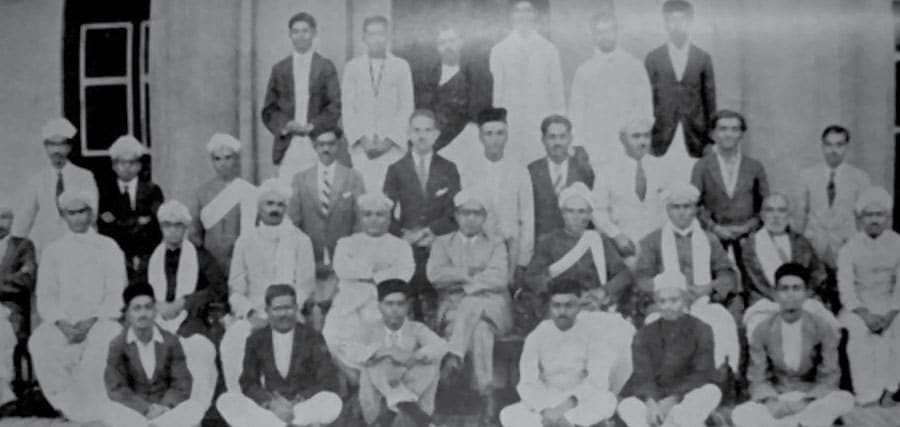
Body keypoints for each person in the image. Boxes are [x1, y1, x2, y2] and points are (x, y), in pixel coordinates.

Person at [28, 189, 125, 422]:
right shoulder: (53, 250)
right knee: (41, 342)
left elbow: (116, 292)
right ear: (63, 216)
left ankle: (95, 407)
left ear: (92, 213)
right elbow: (46, 295)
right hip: (64, 323)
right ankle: (68, 406)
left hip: (100, 320)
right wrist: (62, 323)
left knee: (106, 342)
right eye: (72, 213)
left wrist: (92, 321)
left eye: (83, 211)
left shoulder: (108, 246)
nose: (78, 218)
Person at [220, 179, 315, 392]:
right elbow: (236, 289)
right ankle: (243, 402)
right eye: (269, 203)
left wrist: (284, 312)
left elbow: (305, 287)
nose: (274, 209)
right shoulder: (245, 241)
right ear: (259, 207)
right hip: (253, 314)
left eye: (280, 205)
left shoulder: (301, 241)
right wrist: (251, 313)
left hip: (289, 314)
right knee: (232, 342)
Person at [731, 263, 855, 427]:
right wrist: (772, 402)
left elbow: (829, 376)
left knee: (845, 399)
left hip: (811, 398)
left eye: (796, 288)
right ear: (775, 294)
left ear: (806, 293)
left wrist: (806, 401)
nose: (790, 295)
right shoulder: (762, 330)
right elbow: (758, 378)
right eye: (784, 289)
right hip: (778, 398)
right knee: (741, 412)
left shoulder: (822, 327)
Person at [634, 183, 739, 374]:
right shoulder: (652, 241)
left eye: (686, 206)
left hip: (703, 303)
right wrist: (670, 290)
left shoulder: (709, 240)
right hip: (664, 306)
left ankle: (714, 379)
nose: (681, 212)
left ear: (695, 210)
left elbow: (728, 274)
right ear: (668, 210)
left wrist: (707, 288)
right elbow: (642, 279)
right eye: (676, 207)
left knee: (721, 325)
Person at [426, 190, 511, 421]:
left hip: (493, 308)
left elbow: (499, 278)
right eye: (466, 213)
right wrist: (469, 274)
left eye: (477, 213)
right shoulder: (442, 243)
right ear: (456, 215)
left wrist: (462, 284)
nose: (471, 218)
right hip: (453, 309)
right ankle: (486, 393)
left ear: (484, 217)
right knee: (481, 330)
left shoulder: (496, 244)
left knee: (473, 304)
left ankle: (455, 354)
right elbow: (435, 275)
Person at [217, 284, 342, 427]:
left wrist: (299, 400)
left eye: (288, 308)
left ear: (296, 308)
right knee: (227, 400)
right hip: (272, 409)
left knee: (332, 401)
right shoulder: (256, 340)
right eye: (277, 309)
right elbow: (248, 383)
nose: (283, 314)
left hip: (303, 407)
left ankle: (287, 422)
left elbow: (327, 379)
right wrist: (271, 403)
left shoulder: (313, 337)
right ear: (267, 311)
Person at [499, 278, 618, 427]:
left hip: (579, 401)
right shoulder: (537, 335)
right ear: (550, 306)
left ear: (578, 306)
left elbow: (597, 381)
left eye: (569, 306)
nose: (562, 312)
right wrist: (544, 410)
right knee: (508, 413)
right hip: (547, 401)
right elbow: (527, 382)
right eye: (557, 306)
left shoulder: (593, 334)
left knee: (607, 400)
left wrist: (564, 409)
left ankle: (568, 422)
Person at [322, 193, 415, 374]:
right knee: (331, 338)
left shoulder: (401, 246)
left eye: (379, 214)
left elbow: (404, 274)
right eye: (367, 214)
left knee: (384, 346)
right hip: (348, 303)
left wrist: (362, 272)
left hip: (381, 302)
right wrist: (379, 269)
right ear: (360, 217)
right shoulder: (346, 243)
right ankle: (354, 376)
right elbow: (342, 269)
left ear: (389, 218)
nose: (373, 219)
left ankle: (372, 379)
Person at [383, 109, 460, 324]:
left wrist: (431, 232)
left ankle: (435, 319)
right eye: (416, 130)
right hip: (407, 243)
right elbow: (385, 212)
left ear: (436, 134)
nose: (422, 136)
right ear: (408, 133)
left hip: (438, 241)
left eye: (427, 130)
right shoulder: (396, 169)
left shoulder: (448, 168)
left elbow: (454, 211)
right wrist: (403, 235)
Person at [618, 271, 722, 427]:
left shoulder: (702, 329)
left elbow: (702, 373)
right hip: (654, 400)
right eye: (662, 301)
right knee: (628, 406)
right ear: (656, 302)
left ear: (685, 299)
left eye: (674, 300)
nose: (668, 307)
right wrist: (651, 402)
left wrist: (674, 399)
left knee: (711, 391)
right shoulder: (643, 334)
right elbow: (642, 375)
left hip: (685, 397)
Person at [288, 126, 365, 326]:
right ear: (314, 146)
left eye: (330, 144)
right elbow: (293, 222)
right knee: (310, 314)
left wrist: (352, 255)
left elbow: (360, 221)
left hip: (342, 260)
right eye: (321, 144)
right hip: (310, 259)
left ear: (337, 146)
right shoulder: (300, 179)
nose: (326, 149)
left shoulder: (353, 177)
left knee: (340, 315)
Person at [102, 283, 206, 427]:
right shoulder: (118, 345)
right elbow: (116, 387)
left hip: (165, 412)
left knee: (194, 407)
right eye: (137, 308)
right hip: (136, 413)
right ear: (127, 314)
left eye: (148, 307)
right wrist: (145, 409)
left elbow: (182, 382)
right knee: (109, 410)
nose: (143, 314)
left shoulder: (170, 341)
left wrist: (164, 407)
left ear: (155, 311)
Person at [349, 279, 448, 427]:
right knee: (374, 362)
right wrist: (387, 352)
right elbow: (352, 350)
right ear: (379, 306)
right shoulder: (370, 329)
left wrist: (415, 357)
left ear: (408, 306)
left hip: (411, 385)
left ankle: (395, 409)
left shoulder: (416, 328)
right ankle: (412, 411)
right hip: (380, 394)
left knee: (431, 362)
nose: (395, 309)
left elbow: (441, 346)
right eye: (389, 304)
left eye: (400, 304)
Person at [525, 183, 633, 315]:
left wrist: (602, 292)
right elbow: (532, 279)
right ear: (563, 213)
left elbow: (623, 274)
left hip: (593, 307)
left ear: (589, 214)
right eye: (570, 211)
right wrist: (563, 294)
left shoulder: (599, 241)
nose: (575, 217)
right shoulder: (548, 242)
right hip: (561, 310)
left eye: (581, 211)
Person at [837, 187, 900, 406]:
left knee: (897, 331)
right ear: (861, 218)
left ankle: (890, 390)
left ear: (887, 217)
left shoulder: (898, 243)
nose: (874, 220)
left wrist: (891, 314)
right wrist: (865, 314)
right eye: (869, 215)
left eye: (879, 214)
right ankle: (866, 394)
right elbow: (845, 288)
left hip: (892, 306)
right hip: (858, 307)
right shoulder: (849, 247)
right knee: (858, 333)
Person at [262, 12, 343, 180]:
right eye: (296, 31)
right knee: (287, 190)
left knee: (318, 189)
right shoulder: (279, 69)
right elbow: (269, 110)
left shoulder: (325, 66)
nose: (300, 36)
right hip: (288, 143)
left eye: (305, 31)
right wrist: (286, 125)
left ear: (314, 33)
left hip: (317, 141)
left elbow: (335, 105)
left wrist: (313, 126)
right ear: (290, 35)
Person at [794, 125, 871, 302]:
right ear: (822, 146)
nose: (833, 150)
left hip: (846, 247)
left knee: (844, 298)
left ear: (847, 147)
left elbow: (865, 219)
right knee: (815, 298)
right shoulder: (807, 176)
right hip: (815, 247)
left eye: (839, 145)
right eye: (828, 145)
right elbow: (800, 215)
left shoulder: (860, 178)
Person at [456, 107, 534, 283]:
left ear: (507, 136)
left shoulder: (519, 171)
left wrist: (523, 261)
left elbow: (527, 217)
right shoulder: (468, 171)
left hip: (510, 251)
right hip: (477, 250)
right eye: (489, 134)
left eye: (500, 133)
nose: (495, 140)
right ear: (480, 137)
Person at [740, 193, 836, 335]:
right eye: (770, 210)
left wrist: (803, 294)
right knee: (759, 328)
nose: (776, 216)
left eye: (781, 210)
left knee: (826, 325)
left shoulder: (800, 241)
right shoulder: (751, 245)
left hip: (803, 300)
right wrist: (783, 299)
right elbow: (755, 282)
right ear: (762, 215)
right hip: (767, 303)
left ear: (788, 215)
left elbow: (818, 273)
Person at [692, 110, 769, 281]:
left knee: (752, 282)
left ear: (742, 133)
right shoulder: (702, 166)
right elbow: (693, 204)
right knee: (717, 283)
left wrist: (747, 227)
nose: (729, 134)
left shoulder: (754, 166)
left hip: (748, 237)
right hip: (714, 237)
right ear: (713, 134)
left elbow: (765, 205)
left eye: (735, 129)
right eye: (723, 129)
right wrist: (714, 228)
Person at [569, 10, 652, 169]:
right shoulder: (584, 70)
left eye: (608, 31)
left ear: (616, 32)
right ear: (593, 35)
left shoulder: (634, 66)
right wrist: (578, 146)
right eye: (599, 32)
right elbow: (576, 112)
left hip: (627, 149)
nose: (604, 36)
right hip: (595, 148)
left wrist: (637, 141)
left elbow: (645, 108)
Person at [645, 0, 716, 181]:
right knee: (661, 184)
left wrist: (711, 140)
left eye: (682, 20)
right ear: (664, 23)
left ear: (690, 22)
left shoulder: (703, 58)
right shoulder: (653, 58)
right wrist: (647, 137)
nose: (677, 26)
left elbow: (710, 102)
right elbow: (646, 102)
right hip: (661, 137)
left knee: (692, 186)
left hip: (694, 137)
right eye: (672, 21)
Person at [342, 15, 414, 191]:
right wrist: (362, 139)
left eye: (381, 34)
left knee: (391, 195)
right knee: (365, 195)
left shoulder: (401, 66)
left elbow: (407, 108)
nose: (376, 39)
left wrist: (388, 142)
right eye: (371, 34)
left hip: (392, 147)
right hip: (363, 148)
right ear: (364, 38)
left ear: (388, 36)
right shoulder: (352, 67)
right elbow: (348, 109)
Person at [490, 1, 565, 166]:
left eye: (527, 10)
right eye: (518, 11)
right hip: (513, 123)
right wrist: (499, 126)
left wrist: (557, 125)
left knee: (542, 167)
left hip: (541, 121)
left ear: (535, 14)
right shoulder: (499, 50)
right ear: (511, 16)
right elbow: (497, 95)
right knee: (513, 167)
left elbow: (557, 92)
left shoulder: (549, 49)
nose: (523, 15)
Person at [13, 118, 98, 255]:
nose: (56, 150)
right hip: (47, 245)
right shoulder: (37, 181)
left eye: (61, 144)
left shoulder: (85, 177)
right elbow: (25, 217)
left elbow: (92, 213)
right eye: (52, 144)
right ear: (45, 147)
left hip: (79, 243)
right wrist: (14, 246)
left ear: (69, 147)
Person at [592, 116, 669, 266]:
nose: (642, 142)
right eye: (636, 136)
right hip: (622, 250)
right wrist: (616, 235)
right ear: (622, 139)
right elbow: (597, 211)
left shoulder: (661, 168)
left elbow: (669, 207)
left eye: (646, 136)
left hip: (657, 250)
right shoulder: (607, 171)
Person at [147, 200, 227, 338]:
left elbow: (219, 288)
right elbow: (137, 289)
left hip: (190, 316)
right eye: (167, 225)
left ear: (185, 228)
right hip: (156, 313)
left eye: (178, 225)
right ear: (161, 227)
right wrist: (155, 303)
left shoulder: (200, 256)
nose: (172, 230)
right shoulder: (150, 257)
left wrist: (186, 302)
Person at [415, 24, 489, 164]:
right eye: (442, 42)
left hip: (466, 139)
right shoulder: (428, 75)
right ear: (437, 47)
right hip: (434, 139)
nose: (448, 46)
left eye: (452, 40)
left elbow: (478, 111)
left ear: (461, 42)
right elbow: (422, 111)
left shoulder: (474, 74)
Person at [97, 135, 163, 284]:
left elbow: (154, 226)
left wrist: (120, 222)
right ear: (114, 165)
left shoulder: (152, 191)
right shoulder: (105, 193)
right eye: (122, 162)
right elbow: (106, 226)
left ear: (139, 165)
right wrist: (138, 221)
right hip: (115, 254)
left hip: (147, 255)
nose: (127, 167)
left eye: (132, 162)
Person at [189, 133, 258, 272]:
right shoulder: (202, 192)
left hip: (240, 261)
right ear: (212, 161)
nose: (223, 164)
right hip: (210, 264)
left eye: (228, 157)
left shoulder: (248, 190)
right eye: (217, 159)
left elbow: (255, 232)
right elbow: (195, 232)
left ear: (236, 159)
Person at [528, 115, 595, 240]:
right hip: (543, 243)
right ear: (543, 140)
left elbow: (592, 212)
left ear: (570, 138)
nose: (557, 143)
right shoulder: (531, 171)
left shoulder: (584, 170)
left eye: (562, 137)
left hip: (577, 243)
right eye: (552, 137)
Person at [0, 200, 36, 406]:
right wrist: (8, 279)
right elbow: (14, 279)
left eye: (4, 217)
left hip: (10, 308)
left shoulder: (23, 246)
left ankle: (3, 393)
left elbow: (25, 281)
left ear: (12, 220)